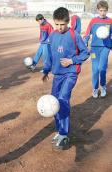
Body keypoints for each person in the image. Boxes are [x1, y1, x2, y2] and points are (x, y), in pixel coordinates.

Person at [42, 7, 89, 150]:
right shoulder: (53, 36)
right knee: (54, 102)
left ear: (68, 22)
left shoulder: (74, 35)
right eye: (57, 24)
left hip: (70, 73)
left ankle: (64, 134)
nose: (59, 27)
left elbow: (85, 53)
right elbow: (49, 55)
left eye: (62, 24)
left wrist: (72, 61)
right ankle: (59, 129)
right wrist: (45, 70)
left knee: (63, 99)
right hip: (57, 74)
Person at [84, 0, 112, 98]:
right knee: (95, 70)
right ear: (97, 10)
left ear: (107, 10)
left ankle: (103, 86)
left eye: (104, 10)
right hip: (94, 49)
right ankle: (95, 88)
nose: (102, 12)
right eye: (100, 10)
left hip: (105, 47)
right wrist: (85, 44)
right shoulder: (93, 21)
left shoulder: (110, 21)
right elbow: (87, 33)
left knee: (102, 68)